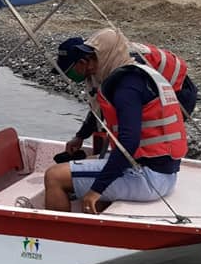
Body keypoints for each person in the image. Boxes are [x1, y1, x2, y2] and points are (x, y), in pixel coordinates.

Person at [44, 28, 187, 213]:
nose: (89, 66)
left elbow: (129, 143)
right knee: (96, 159)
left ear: (103, 57)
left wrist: (96, 190)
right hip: (164, 172)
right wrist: (81, 136)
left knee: (54, 176)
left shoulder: (126, 88)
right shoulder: (139, 76)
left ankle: (57, 237)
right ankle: (94, 226)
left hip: (149, 178)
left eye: (92, 59)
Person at [59, 30, 197, 156]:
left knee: (144, 133)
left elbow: (126, 112)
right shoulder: (95, 66)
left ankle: (162, 160)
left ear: (83, 62)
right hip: (149, 86)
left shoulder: (124, 67)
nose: (67, 76)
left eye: (69, 71)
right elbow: (98, 111)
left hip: (178, 89)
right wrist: (80, 136)